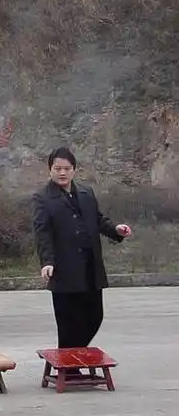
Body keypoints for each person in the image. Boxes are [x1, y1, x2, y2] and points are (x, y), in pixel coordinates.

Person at [32, 146, 132, 351]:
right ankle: (68, 361)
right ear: (50, 170)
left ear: (74, 170)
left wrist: (115, 230)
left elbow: (98, 219)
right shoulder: (42, 198)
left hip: (90, 269)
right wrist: (47, 262)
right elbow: (43, 233)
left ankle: (70, 358)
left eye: (67, 169)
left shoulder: (86, 193)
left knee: (94, 317)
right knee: (68, 325)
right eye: (57, 168)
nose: (62, 173)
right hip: (64, 272)